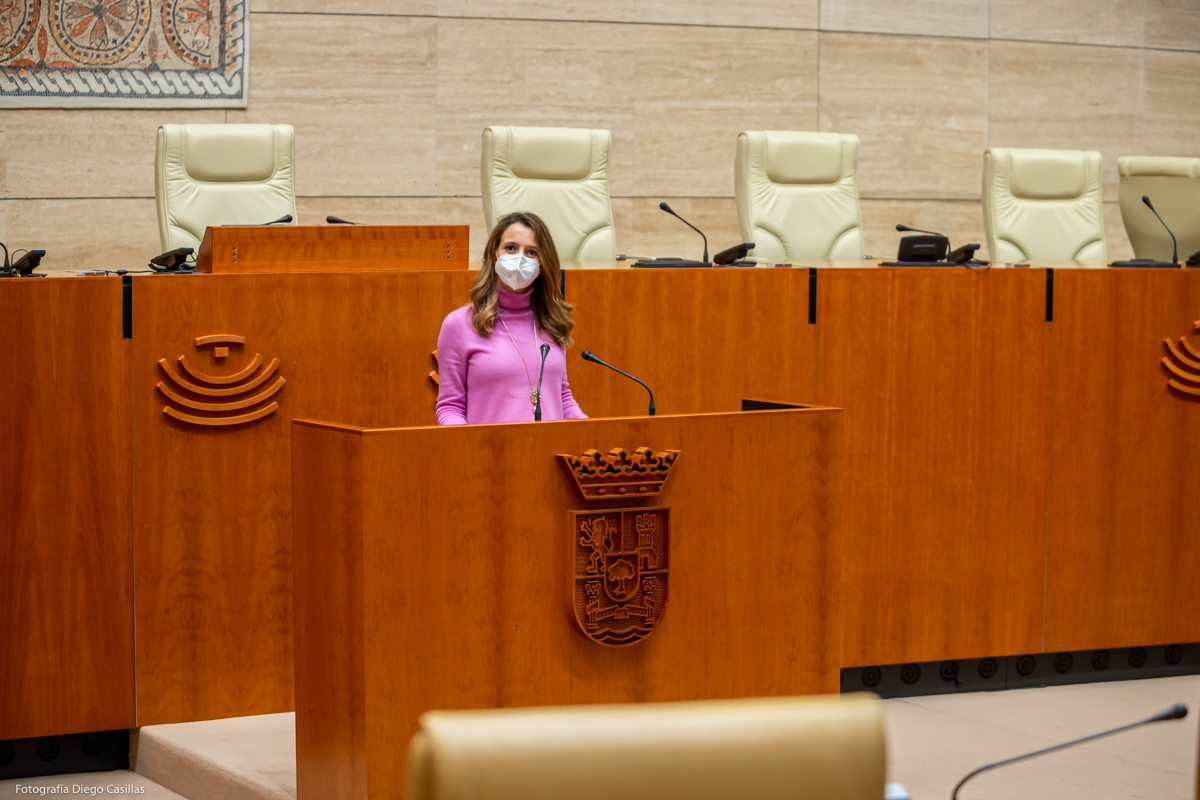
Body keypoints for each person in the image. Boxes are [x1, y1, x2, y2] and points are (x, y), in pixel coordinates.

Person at [435, 211, 587, 425]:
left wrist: (589, 431)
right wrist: (468, 443)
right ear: (494, 254)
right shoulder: (460, 324)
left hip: (552, 446)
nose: (520, 258)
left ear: (543, 262)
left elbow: (561, 397)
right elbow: (451, 407)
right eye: (510, 248)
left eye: (532, 252)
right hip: (489, 446)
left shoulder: (552, 321)